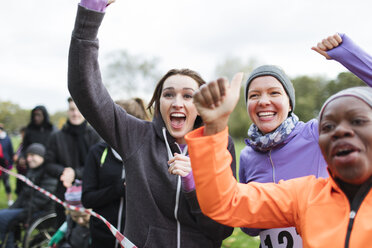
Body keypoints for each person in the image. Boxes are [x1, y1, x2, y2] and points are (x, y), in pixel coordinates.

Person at [67, 1, 236, 247]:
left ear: (199, 106)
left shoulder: (220, 144)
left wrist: (196, 184)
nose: (177, 102)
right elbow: (85, 90)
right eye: (168, 95)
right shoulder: (136, 135)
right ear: (158, 103)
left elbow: (222, 229)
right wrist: (90, 13)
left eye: (188, 95)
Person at [185, 35, 372, 247]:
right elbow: (228, 203)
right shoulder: (304, 196)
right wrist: (215, 128)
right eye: (328, 127)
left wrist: (348, 54)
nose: (340, 132)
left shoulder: (310, 132)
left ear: (290, 103)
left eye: (357, 121)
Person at [82, 98, 150, 248]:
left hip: (136, 241)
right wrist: (119, 188)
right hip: (102, 238)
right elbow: (87, 199)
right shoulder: (97, 152)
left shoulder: (148, 154)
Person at [45, 97, 101, 228]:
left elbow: (99, 164)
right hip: (64, 195)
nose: (75, 113)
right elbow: (48, 164)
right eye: (72, 109)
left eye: (79, 110)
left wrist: (75, 173)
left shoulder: (95, 136)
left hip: (90, 195)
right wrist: (64, 172)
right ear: (68, 111)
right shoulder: (56, 137)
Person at [0, 143, 57, 248]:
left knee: (2, 218)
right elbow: (23, 195)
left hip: (41, 211)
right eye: (27, 156)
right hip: (28, 208)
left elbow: (41, 199)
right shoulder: (32, 171)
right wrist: (12, 209)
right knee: (4, 215)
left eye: (32, 155)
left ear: (41, 156)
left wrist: (23, 214)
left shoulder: (49, 173)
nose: (29, 159)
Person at [49, 181, 91, 248]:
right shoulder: (69, 220)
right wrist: (61, 232)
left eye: (84, 216)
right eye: (75, 216)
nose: (80, 221)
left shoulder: (97, 228)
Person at [0, 123, 14, 206]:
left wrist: (11, 164)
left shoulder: (7, 139)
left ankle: (10, 200)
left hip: (5, 166)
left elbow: (11, 151)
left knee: (7, 184)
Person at [13, 127, 27, 195]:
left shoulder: (27, 145)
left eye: (22, 134)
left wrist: (17, 159)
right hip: (19, 171)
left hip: (25, 172)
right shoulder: (21, 144)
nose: (21, 136)